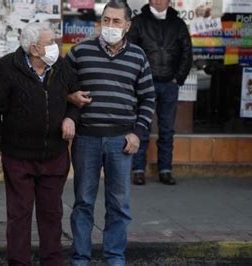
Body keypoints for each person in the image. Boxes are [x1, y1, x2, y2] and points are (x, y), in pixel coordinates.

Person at [65, 1, 155, 265]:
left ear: (128, 25)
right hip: (86, 139)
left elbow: (148, 98)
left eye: (117, 22)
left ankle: (114, 258)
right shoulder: (79, 53)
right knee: (83, 202)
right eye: (106, 20)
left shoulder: (138, 56)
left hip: (121, 140)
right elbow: (61, 88)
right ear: (100, 22)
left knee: (118, 205)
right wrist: (70, 95)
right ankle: (80, 259)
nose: (111, 26)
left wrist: (138, 133)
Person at [0, 22, 79, 265]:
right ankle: (18, 262)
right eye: (50, 43)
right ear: (35, 49)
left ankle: (52, 261)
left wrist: (70, 118)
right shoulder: (7, 67)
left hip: (54, 154)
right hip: (19, 156)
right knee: (19, 215)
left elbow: (76, 99)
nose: (56, 47)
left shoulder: (61, 66)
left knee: (52, 214)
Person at [128, 0, 193, 185]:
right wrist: (137, 78)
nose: (158, 0)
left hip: (169, 84)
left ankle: (166, 169)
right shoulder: (139, 22)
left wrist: (178, 78)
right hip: (144, 84)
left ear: (169, 1)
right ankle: (138, 170)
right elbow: (130, 51)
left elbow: (187, 52)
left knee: (167, 130)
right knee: (142, 127)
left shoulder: (177, 23)